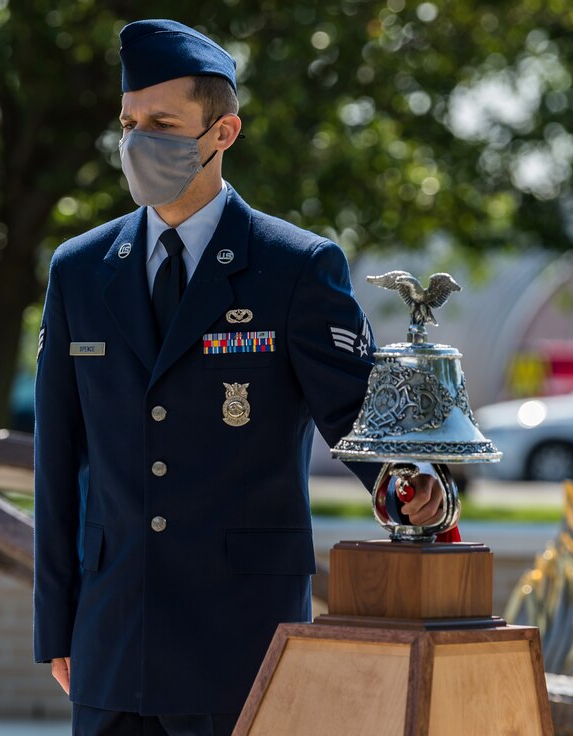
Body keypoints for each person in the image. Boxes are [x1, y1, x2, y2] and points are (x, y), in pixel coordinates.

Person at [33, 19, 450, 736]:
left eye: (162, 123)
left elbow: (359, 417)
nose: (137, 142)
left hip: (239, 633)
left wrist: (419, 483)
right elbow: (57, 460)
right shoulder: (79, 271)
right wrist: (56, 622)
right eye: (128, 122)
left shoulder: (293, 266)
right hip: (112, 632)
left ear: (222, 132)